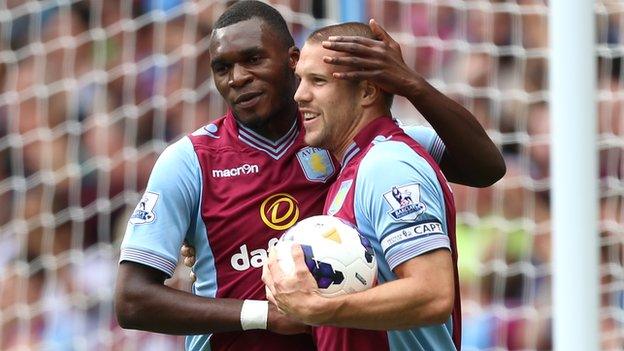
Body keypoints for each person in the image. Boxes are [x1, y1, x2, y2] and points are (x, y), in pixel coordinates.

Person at [114, 1, 504, 350]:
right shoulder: (190, 162)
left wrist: (410, 85)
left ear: (291, 60)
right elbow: (132, 300)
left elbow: (485, 167)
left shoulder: (358, 147)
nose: (237, 78)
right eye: (222, 67)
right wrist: (264, 314)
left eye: (253, 59)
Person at [263, 22, 464, 350]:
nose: (299, 95)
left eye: (318, 81)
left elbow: (432, 294)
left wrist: (319, 309)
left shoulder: (387, 165)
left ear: (368, 92)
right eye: (301, 80)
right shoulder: (353, 166)